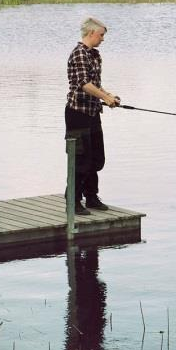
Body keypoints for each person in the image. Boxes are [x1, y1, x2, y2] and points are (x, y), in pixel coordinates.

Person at [65, 17, 119, 215]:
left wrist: (109, 96)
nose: (103, 39)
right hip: (77, 113)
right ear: (91, 33)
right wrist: (104, 96)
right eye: (101, 35)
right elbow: (84, 84)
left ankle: (92, 197)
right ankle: (73, 200)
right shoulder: (79, 54)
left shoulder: (95, 55)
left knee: (96, 158)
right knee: (80, 159)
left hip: (93, 112)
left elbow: (95, 84)